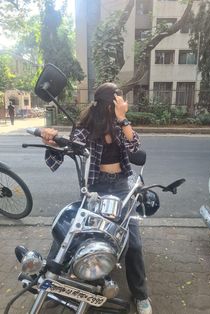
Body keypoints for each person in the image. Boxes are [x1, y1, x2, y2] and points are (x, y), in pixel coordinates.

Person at [41, 82, 152, 314]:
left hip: (121, 188)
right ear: (109, 104)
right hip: (95, 188)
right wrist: (50, 142)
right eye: (119, 100)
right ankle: (50, 282)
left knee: (133, 243)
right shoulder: (86, 127)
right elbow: (66, 152)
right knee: (68, 231)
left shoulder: (121, 125)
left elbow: (135, 148)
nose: (123, 103)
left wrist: (123, 118)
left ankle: (141, 295)